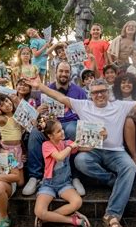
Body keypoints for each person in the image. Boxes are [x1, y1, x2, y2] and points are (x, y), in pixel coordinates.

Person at [27, 77, 136, 227]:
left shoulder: (119, 105)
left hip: (116, 152)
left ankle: (112, 215)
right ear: (90, 94)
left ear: (108, 92)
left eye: (102, 91)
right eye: (95, 92)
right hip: (92, 150)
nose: (99, 95)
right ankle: (111, 180)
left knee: (130, 167)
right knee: (80, 161)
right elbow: (59, 97)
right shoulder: (83, 105)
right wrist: (40, 86)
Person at [22, 61, 88, 196]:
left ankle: (75, 177)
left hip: (71, 123)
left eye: (67, 71)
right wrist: (38, 110)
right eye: (61, 71)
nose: (64, 74)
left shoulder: (79, 92)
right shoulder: (46, 89)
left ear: (70, 74)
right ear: (56, 72)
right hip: (51, 124)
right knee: (35, 133)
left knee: (71, 130)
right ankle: (35, 176)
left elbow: (86, 113)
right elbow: (38, 119)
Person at [33, 118, 91, 227]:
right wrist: (70, 146)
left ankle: (45, 218)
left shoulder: (66, 143)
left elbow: (86, 148)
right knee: (39, 210)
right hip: (49, 184)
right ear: (50, 136)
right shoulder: (46, 145)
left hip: (65, 183)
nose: (63, 132)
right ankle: (72, 220)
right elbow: (59, 157)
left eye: (62, 129)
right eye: (58, 131)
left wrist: (98, 138)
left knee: (77, 202)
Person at [0, 93, 25, 186]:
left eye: (6, 101)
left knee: (20, 183)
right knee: (10, 173)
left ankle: (8, 182)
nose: (6, 105)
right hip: (7, 149)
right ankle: (2, 183)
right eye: (2, 105)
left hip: (18, 149)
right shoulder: (2, 118)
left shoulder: (17, 115)